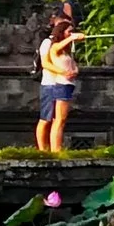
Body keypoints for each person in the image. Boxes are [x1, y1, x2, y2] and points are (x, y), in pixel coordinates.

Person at [35, 10, 82, 152]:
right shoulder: (49, 44)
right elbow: (45, 64)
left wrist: (73, 72)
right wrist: (63, 72)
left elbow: (73, 65)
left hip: (62, 84)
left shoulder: (66, 50)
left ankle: (54, 149)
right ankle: (44, 150)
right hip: (50, 83)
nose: (71, 33)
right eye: (69, 30)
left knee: (58, 119)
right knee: (47, 119)